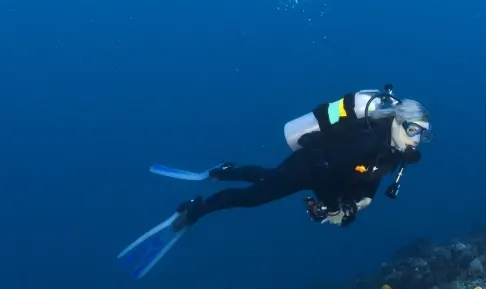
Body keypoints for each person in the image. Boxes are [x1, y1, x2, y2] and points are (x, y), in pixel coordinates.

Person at [117, 87, 432, 279]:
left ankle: (223, 171)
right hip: (309, 166)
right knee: (253, 197)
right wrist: (333, 206)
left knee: (268, 178)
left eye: (423, 134)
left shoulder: (392, 153)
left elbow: (368, 185)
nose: (417, 140)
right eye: (415, 131)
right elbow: (326, 173)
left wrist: (352, 207)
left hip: (321, 175)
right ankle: (195, 210)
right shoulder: (366, 142)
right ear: (398, 122)